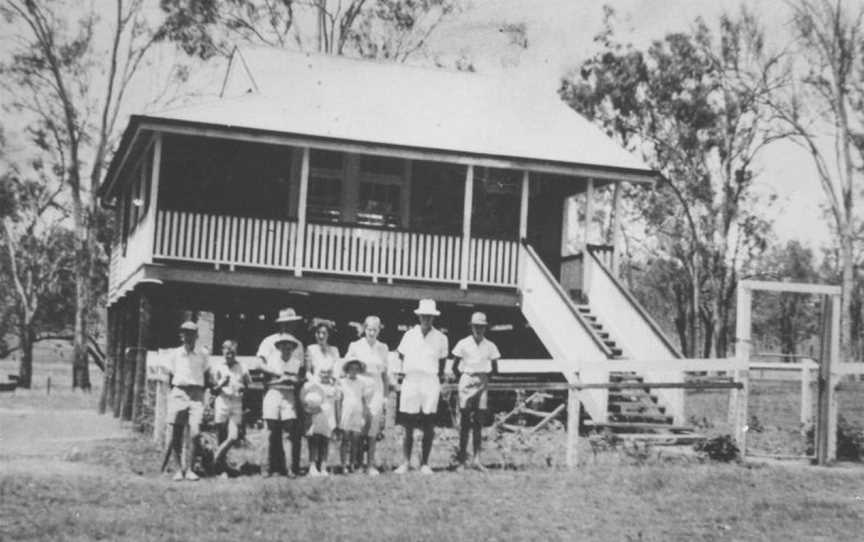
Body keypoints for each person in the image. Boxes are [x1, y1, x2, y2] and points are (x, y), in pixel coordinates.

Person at [395, 299, 449, 475]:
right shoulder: (409, 335)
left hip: (430, 381)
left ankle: (425, 463)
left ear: (434, 317)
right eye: (424, 316)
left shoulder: (441, 338)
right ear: (419, 316)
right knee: (408, 424)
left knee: (428, 422)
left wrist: (437, 381)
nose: (427, 319)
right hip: (411, 380)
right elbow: (401, 357)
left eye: (430, 316)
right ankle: (405, 462)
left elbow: (441, 364)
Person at [451, 312, 500, 470]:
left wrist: (483, 379)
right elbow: (454, 366)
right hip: (466, 379)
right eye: (476, 326)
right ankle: (462, 460)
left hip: (482, 382)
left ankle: (477, 460)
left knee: (479, 422)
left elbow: (495, 369)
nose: (478, 329)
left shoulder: (490, 345)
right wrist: (465, 377)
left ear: (485, 328)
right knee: (465, 422)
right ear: (471, 327)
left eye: (481, 327)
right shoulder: (463, 343)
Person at [164, 321, 209, 482]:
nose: (188, 336)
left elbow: (206, 373)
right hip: (179, 392)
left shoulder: (203, 354)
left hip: (196, 394)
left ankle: (190, 469)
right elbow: (171, 376)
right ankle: (178, 469)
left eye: (192, 333)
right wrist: (176, 394)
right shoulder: (174, 354)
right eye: (185, 333)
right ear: (181, 335)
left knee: (195, 432)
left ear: (196, 336)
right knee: (176, 431)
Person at [345, 315, 390, 476]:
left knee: (372, 427)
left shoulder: (383, 347)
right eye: (369, 329)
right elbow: (347, 368)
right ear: (364, 329)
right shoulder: (355, 345)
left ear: (379, 330)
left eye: (375, 329)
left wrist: (385, 397)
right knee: (358, 426)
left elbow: (385, 375)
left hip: (376, 387)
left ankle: (370, 464)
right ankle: (356, 463)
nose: (372, 332)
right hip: (359, 386)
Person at [260, 333, 305, 477]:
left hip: (289, 396)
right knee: (269, 432)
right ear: (279, 348)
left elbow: (298, 381)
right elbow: (267, 382)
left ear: (293, 348)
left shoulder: (296, 363)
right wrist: (282, 379)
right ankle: (265, 468)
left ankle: (290, 468)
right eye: (283, 347)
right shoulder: (272, 361)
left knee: (288, 433)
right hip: (273, 394)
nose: (286, 350)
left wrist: (290, 380)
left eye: (289, 347)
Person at [211, 339, 251, 478]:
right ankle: (221, 469)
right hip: (222, 401)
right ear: (222, 351)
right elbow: (213, 390)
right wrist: (222, 384)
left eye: (232, 353)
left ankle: (215, 457)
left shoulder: (242, 367)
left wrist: (243, 388)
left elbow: (248, 385)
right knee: (221, 436)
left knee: (233, 436)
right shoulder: (218, 366)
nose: (229, 355)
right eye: (227, 352)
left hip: (236, 402)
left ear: (236, 353)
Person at [301, 366, 340, 477]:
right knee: (314, 441)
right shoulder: (313, 386)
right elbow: (306, 400)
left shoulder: (334, 388)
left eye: (328, 372)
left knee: (325, 443)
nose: (325, 374)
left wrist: (337, 422)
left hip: (329, 418)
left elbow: (336, 405)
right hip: (316, 417)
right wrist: (309, 412)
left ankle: (323, 467)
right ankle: (312, 466)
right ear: (318, 374)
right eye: (322, 372)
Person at [338, 358, 373, 473]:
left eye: (356, 369)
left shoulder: (362, 383)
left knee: (355, 440)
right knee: (345, 438)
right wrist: (339, 417)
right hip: (346, 411)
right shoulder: (342, 382)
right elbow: (339, 400)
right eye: (351, 368)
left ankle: (352, 464)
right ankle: (343, 465)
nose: (353, 371)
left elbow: (363, 399)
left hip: (357, 411)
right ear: (347, 369)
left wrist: (364, 414)